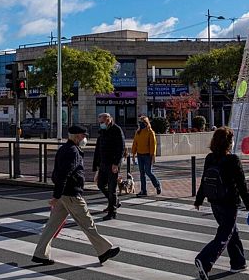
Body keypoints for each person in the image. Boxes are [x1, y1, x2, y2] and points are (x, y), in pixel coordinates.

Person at [33, 126, 120, 265]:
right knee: (87, 223)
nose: (85, 138)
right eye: (83, 136)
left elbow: (57, 174)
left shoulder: (64, 149)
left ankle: (40, 254)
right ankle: (104, 250)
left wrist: (58, 194)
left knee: (52, 225)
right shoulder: (73, 151)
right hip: (72, 194)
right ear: (77, 136)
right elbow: (64, 174)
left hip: (64, 195)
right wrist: (56, 195)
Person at [193, 127, 249, 280]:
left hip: (214, 202)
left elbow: (204, 180)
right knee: (224, 234)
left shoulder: (210, 158)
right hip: (229, 203)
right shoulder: (232, 160)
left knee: (231, 231)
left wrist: (199, 199)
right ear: (228, 143)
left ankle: (238, 262)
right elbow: (242, 185)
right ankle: (204, 260)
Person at [93, 112, 126, 221]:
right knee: (100, 184)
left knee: (112, 188)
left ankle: (112, 211)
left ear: (108, 120)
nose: (101, 124)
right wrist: (97, 165)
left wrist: (116, 163)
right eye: (100, 122)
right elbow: (99, 148)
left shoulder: (116, 130)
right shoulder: (103, 130)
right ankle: (114, 202)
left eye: (102, 122)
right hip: (103, 162)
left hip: (112, 163)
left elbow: (121, 147)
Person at [131, 115, 161, 196]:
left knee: (148, 172)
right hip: (139, 155)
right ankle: (143, 190)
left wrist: (153, 156)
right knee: (142, 173)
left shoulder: (150, 132)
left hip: (147, 155)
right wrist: (133, 154)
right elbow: (135, 143)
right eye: (139, 122)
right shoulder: (138, 132)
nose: (140, 124)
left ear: (146, 123)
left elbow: (153, 145)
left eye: (142, 122)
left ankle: (157, 185)